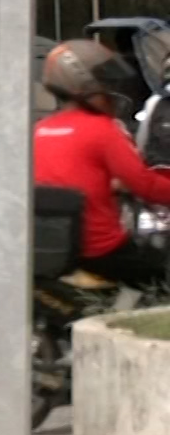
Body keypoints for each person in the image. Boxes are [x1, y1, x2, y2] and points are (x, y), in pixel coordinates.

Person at [33, 39, 170, 290]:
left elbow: (63, 177)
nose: (110, 90)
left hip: (51, 245)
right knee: (162, 273)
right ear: (83, 84)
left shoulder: (40, 130)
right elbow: (146, 185)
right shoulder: (103, 130)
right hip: (99, 249)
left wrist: (110, 184)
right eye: (104, 82)